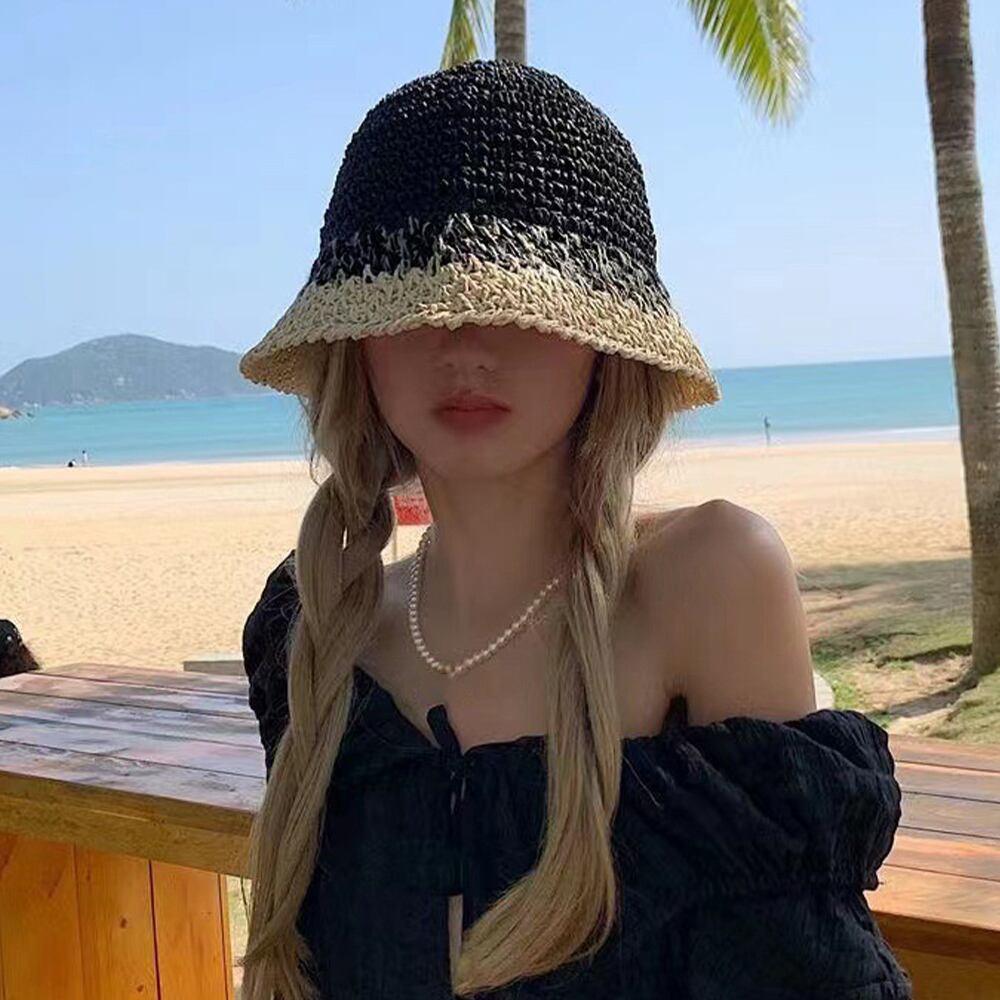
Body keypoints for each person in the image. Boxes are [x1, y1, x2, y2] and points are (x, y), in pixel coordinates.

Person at [236, 60, 913, 1000]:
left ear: (606, 346)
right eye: (410, 302)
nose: (465, 342)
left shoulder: (707, 579)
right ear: (358, 345)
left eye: (521, 303)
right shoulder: (319, 628)